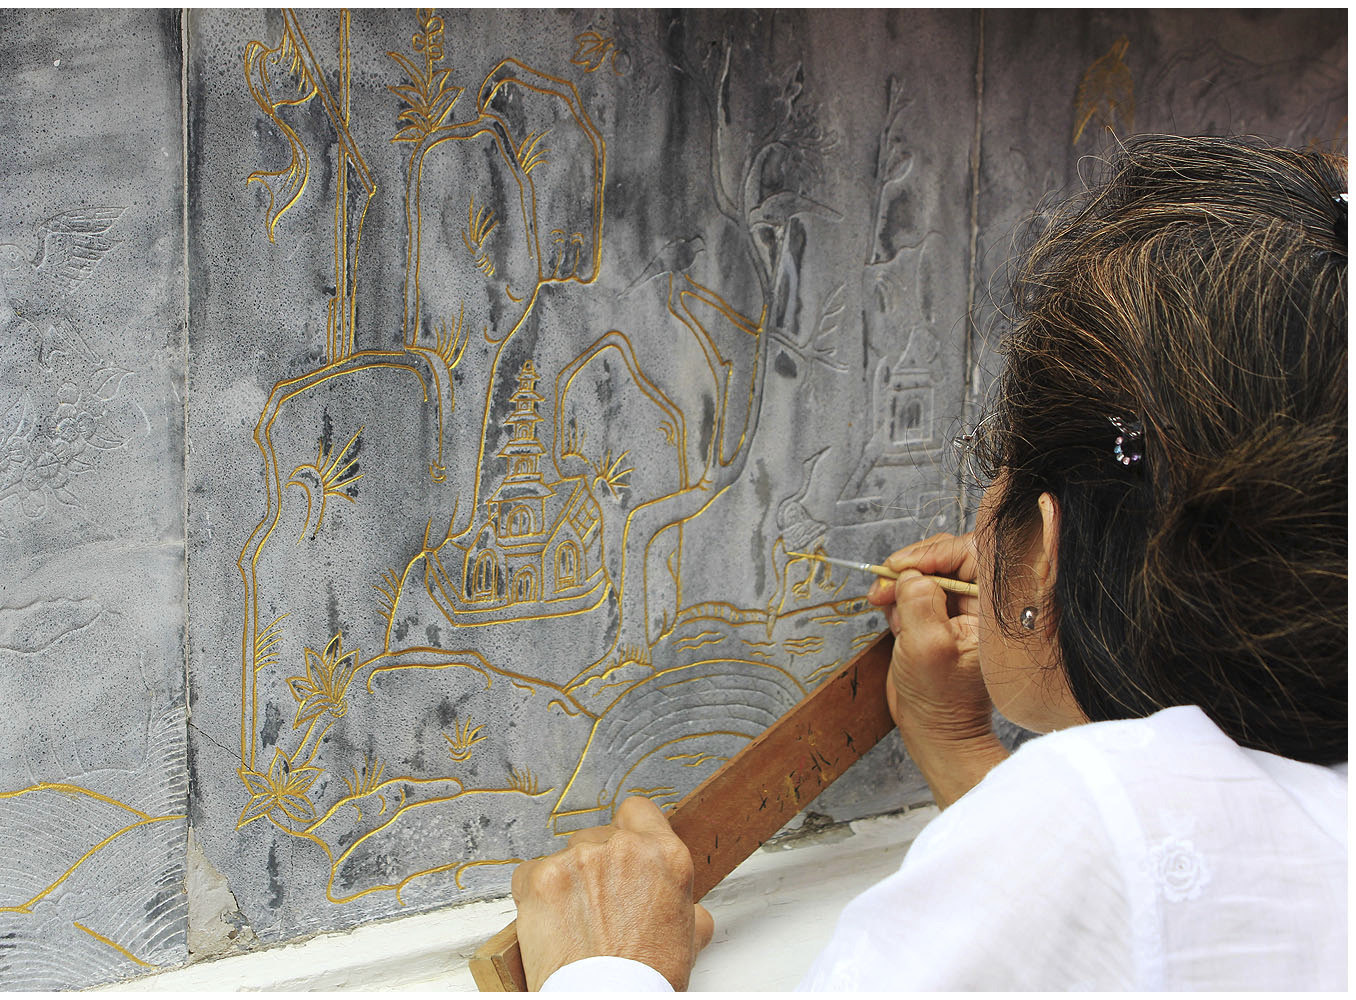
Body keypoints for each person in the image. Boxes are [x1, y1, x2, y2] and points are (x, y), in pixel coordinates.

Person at [509, 135, 1348, 990]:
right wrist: (954, 743)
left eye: (1000, 472)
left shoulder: (1090, 822)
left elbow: (1108, 872)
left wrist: (608, 966)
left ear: (1047, 549)